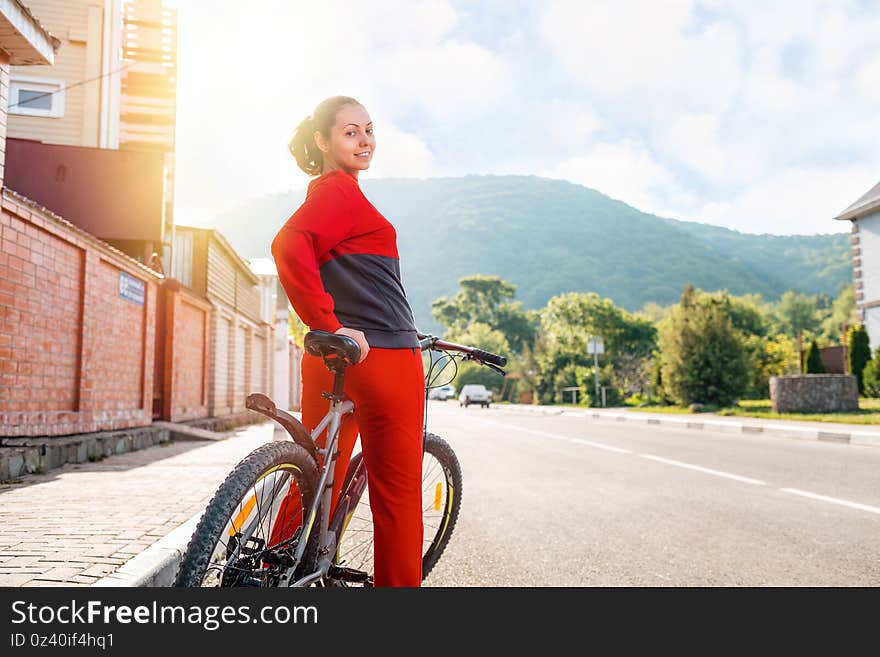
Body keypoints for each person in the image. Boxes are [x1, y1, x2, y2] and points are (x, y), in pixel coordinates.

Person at [269, 96, 425, 587]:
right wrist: (329, 320)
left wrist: (328, 327)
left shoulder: (328, 195)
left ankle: (272, 577)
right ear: (323, 141)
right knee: (397, 498)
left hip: (330, 359)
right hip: (383, 360)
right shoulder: (341, 194)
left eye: (369, 130)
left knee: (314, 480)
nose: (364, 140)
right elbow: (287, 244)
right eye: (350, 132)